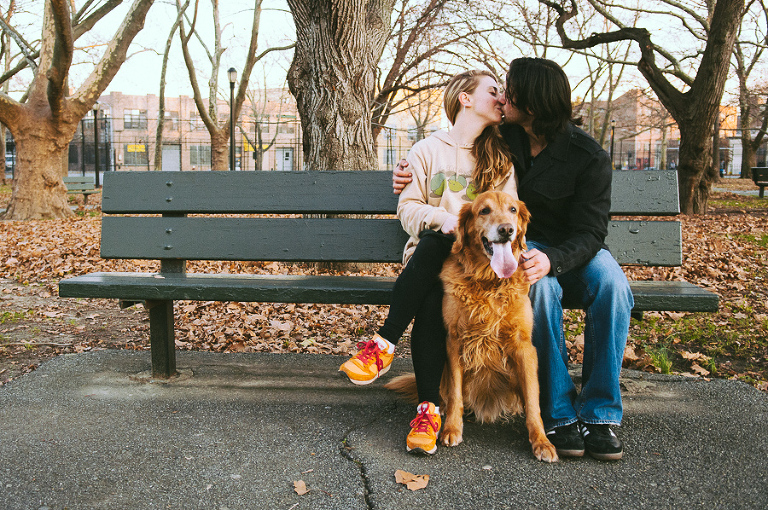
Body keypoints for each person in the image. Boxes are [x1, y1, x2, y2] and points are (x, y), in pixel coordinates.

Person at [393, 57, 634, 461]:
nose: (503, 97)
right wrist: (403, 169)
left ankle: (600, 414)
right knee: (538, 293)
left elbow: (593, 232)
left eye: (510, 91)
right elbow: (455, 143)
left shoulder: (588, 155)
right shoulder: (505, 137)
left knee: (613, 287)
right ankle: (557, 414)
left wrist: (552, 259)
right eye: (499, 90)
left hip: (574, 249)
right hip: (519, 247)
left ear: (533, 103)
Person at [338, 70, 518, 455]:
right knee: (436, 255)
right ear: (465, 98)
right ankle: (428, 408)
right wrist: (448, 221)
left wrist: (460, 229)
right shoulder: (425, 151)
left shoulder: (501, 157)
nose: (501, 99)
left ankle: (385, 344)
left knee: (439, 261)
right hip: (428, 260)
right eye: (493, 91)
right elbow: (408, 209)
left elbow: (510, 217)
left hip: (476, 267)